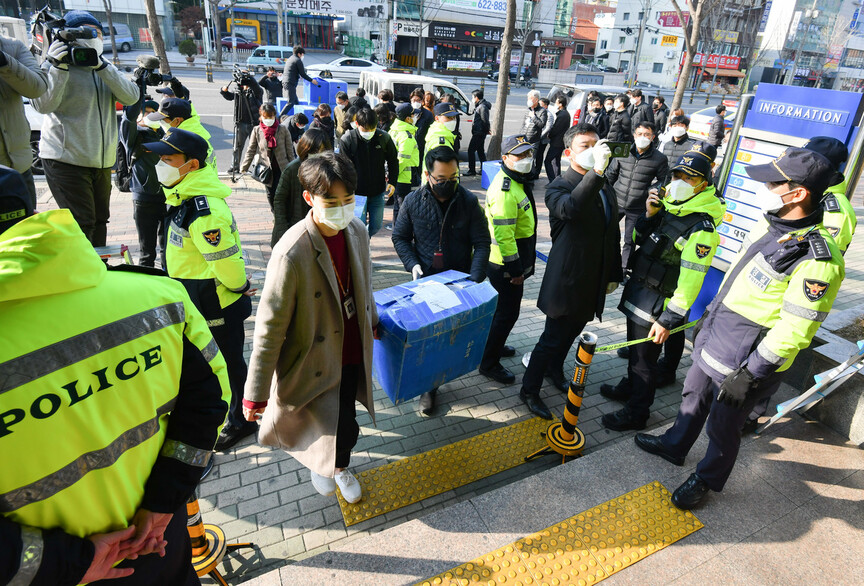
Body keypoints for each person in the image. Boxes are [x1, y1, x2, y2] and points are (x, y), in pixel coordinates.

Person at [0, 165, 230, 586]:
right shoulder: (157, 297)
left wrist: (69, 561)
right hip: (158, 539)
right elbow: (210, 401)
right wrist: (163, 504)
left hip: (54, 574)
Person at [634, 148, 845, 509]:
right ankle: (675, 444)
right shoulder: (771, 224)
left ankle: (707, 477)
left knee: (723, 426)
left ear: (798, 193)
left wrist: (751, 374)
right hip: (719, 333)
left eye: (774, 182)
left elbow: (794, 330)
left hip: (747, 360)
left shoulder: (818, 260)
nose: (765, 186)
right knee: (693, 395)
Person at [243, 152, 377, 506]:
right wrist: (255, 392)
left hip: (349, 349)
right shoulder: (292, 251)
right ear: (308, 198)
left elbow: (366, 285)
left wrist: (373, 323)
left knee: (344, 420)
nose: (342, 209)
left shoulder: (358, 230)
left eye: (348, 200)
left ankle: (336, 464)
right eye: (330, 201)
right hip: (312, 357)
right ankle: (330, 466)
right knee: (327, 423)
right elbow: (269, 327)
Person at [145, 129, 258, 451]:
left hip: (216, 304)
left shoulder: (205, 211)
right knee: (210, 362)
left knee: (229, 363)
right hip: (197, 299)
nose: (161, 165)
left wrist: (242, 286)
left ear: (191, 165)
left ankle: (242, 421)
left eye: (169, 160)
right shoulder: (182, 195)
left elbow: (226, 262)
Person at [601, 146, 723, 431]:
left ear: (704, 184)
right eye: (677, 174)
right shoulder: (670, 208)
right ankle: (630, 387)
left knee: (644, 361)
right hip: (642, 291)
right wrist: (649, 214)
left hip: (660, 304)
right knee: (636, 355)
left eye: (689, 178)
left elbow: (691, 281)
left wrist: (669, 319)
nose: (679, 181)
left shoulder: (702, 228)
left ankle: (637, 412)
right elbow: (638, 238)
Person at [519, 125, 617, 419]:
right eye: (584, 146)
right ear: (568, 152)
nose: (592, 151)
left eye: (596, 145)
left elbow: (610, 232)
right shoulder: (559, 186)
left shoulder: (604, 184)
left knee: (570, 334)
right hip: (567, 280)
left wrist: (612, 273)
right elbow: (570, 209)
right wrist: (596, 173)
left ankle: (554, 370)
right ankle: (529, 389)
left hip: (592, 279)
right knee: (551, 338)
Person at [393, 146, 490, 414]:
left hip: (459, 281)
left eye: (453, 178)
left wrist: (475, 277)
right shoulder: (413, 201)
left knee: (453, 333)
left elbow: (482, 242)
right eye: (442, 180)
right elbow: (400, 237)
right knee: (428, 338)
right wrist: (412, 264)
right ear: (427, 175)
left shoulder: (468, 201)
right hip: (425, 281)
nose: (448, 185)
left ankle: (446, 372)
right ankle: (429, 386)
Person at [32, 9, 139, 247]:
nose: (92, 36)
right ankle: (82, 274)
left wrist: (101, 66)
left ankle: (97, 272)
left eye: (97, 32)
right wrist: (57, 67)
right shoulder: (54, 63)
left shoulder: (104, 65)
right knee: (81, 222)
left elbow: (131, 97)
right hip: (65, 158)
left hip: (100, 161)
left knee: (100, 219)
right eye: (83, 31)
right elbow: (43, 104)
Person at [480, 136, 538, 391]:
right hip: (505, 265)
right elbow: (504, 236)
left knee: (501, 314)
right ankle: (488, 363)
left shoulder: (517, 182)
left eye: (528, 154)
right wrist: (515, 270)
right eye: (520, 156)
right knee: (507, 314)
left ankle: (494, 345)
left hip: (511, 261)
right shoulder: (505, 190)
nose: (526, 160)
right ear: (505, 159)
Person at [605, 122, 669, 272]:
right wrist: (606, 194)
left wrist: (651, 191)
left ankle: (624, 267)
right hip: (617, 201)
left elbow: (663, 180)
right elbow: (610, 175)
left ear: (653, 137)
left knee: (630, 239)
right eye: (639, 134)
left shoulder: (659, 158)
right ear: (634, 135)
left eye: (647, 135)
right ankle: (604, 260)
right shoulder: (623, 152)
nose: (643, 137)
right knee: (607, 231)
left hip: (638, 205)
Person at [120, 79, 165, 268]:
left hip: (168, 198)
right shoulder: (133, 137)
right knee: (147, 253)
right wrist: (138, 92)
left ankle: (169, 288)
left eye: (153, 114)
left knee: (168, 250)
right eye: (146, 113)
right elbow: (128, 118)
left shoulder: (167, 135)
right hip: (143, 199)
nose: (149, 117)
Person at [0, 32, 47, 207]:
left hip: (18, 169)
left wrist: (5, 62)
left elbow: (38, 88)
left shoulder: (13, 48)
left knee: (26, 231)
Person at [339, 107, 398, 237]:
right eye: (366, 129)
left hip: (377, 191)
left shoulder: (384, 138)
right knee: (357, 226)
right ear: (357, 124)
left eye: (372, 128)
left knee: (376, 225)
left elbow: (393, 160)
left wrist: (393, 181)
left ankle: (366, 240)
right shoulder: (348, 139)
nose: (369, 132)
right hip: (356, 193)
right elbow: (343, 167)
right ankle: (362, 247)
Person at [272, 128, 332, 246]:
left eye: (322, 150)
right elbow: (279, 200)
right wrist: (283, 230)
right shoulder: (292, 169)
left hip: (320, 228)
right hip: (295, 227)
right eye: (314, 151)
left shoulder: (329, 169)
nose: (318, 154)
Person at [240, 103, 296, 211]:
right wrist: (244, 167)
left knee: (282, 192)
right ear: (261, 116)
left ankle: (281, 213)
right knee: (271, 193)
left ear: (274, 115)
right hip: (266, 169)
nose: (268, 119)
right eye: (265, 117)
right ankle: (275, 212)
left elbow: (290, 150)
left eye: (270, 117)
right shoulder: (257, 130)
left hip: (282, 167)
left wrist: (293, 167)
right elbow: (251, 150)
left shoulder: (283, 129)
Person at [147, 97, 217, 172]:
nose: (160, 122)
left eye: (162, 120)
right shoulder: (193, 127)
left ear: (177, 120)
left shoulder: (183, 141)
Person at [220, 70, 263, 173]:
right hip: (241, 123)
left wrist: (249, 78)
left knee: (256, 148)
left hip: (254, 124)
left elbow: (256, 86)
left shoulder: (256, 92)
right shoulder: (239, 92)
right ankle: (234, 166)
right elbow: (229, 97)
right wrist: (223, 91)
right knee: (237, 147)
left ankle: (257, 168)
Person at [388, 103, 420, 227]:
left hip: (396, 177)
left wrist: (392, 176)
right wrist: (394, 175)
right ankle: (402, 236)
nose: (415, 117)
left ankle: (396, 231)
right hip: (405, 177)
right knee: (405, 210)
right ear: (407, 118)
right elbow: (403, 160)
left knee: (397, 208)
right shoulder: (407, 136)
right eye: (413, 114)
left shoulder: (393, 131)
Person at [422, 103, 459, 179]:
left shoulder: (435, 133)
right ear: (437, 118)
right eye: (448, 117)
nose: (453, 120)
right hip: (441, 186)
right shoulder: (440, 142)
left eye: (454, 117)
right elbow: (444, 171)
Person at [521, 90, 548, 180]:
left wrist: (533, 117)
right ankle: (524, 178)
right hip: (524, 139)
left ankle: (531, 180)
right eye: (528, 98)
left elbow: (541, 124)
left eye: (530, 98)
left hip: (534, 140)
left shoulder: (542, 111)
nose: (528, 100)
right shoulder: (527, 110)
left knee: (530, 160)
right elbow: (524, 124)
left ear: (536, 100)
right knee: (523, 159)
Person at [659, 115, 694, 183]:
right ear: (671, 127)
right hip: (666, 181)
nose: (677, 128)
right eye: (675, 126)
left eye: (681, 126)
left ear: (687, 127)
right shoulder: (667, 145)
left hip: (682, 182)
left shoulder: (691, 145)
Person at [466, 89, 491, 177]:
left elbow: (485, 120)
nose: (472, 99)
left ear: (476, 97)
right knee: (480, 151)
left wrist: (487, 129)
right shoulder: (480, 106)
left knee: (471, 150)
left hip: (479, 132)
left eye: (473, 97)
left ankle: (472, 170)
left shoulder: (482, 107)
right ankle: (484, 169)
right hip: (479, 131)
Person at [545, 96, 570, 181]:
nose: (555, 104)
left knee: (547, 161)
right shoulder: (563, 113)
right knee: (556, 161)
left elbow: (556, 129)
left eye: (556, 102)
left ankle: (552, 180)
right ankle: (557, 179)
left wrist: (549, 135)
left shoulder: (563, 115)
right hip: (559, 142)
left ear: (560, 104)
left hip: (557, 142)